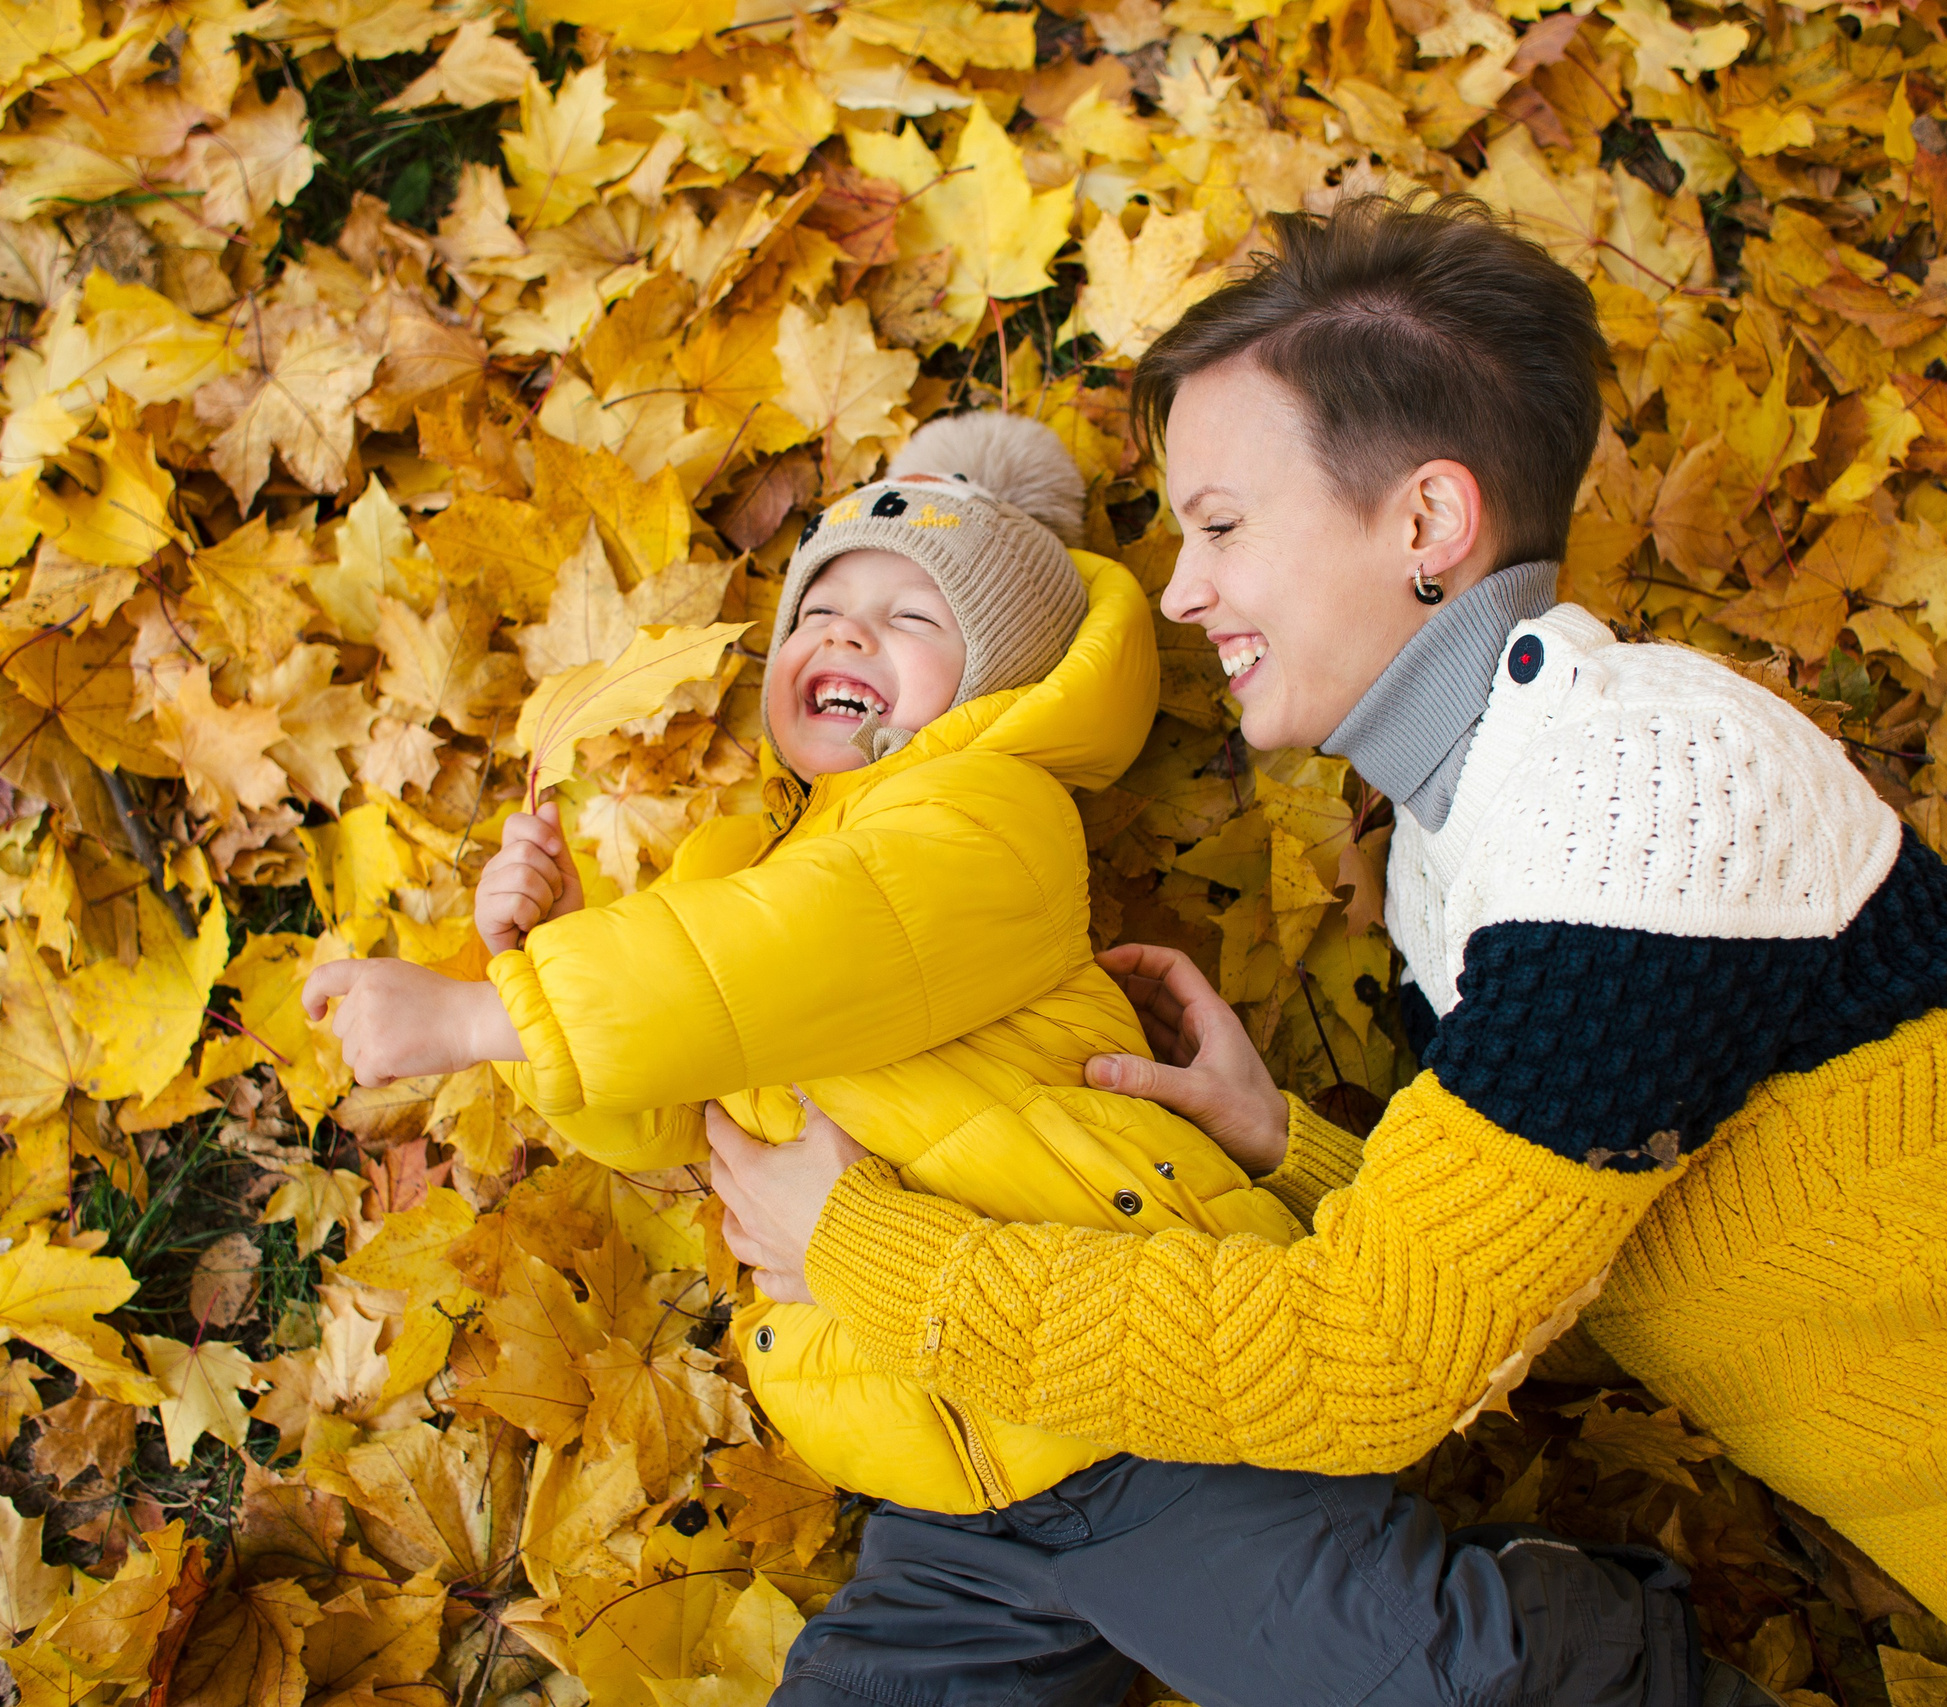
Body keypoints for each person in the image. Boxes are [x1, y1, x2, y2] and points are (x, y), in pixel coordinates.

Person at [708, 194, 1947, 1707]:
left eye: (1219, 525)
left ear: (1428, 518)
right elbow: (1534, 1262)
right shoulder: (1475, 836)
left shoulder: (1634, 800)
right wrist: (1290, 1150)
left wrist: (862, 1249)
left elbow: (1376, 1365)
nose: (1182, 592)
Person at [302, 408, 1707, 1707]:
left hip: (1144, 1420)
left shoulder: (986, 824)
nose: (849, 633)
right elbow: (688, 1117)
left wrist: (489, 1018)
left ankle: (1601, 1652)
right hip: (947, 1484)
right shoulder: (751, 874)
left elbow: (797, 950)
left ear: (997, 689)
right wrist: (537, 971)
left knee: (1430, 1677)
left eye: (912, 616)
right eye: (825, 607)